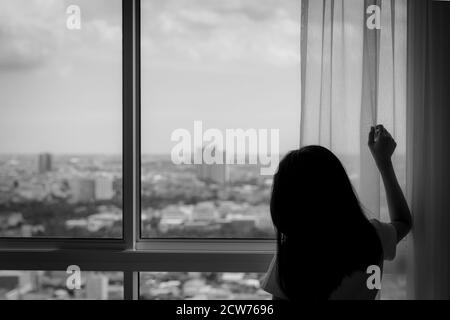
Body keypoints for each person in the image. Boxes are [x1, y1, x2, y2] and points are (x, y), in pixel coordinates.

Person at [261, 125, 413, 300]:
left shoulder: (292, 255)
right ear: (341, 190)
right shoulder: (372, 237)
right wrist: (384, 162)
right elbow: (403, 221)